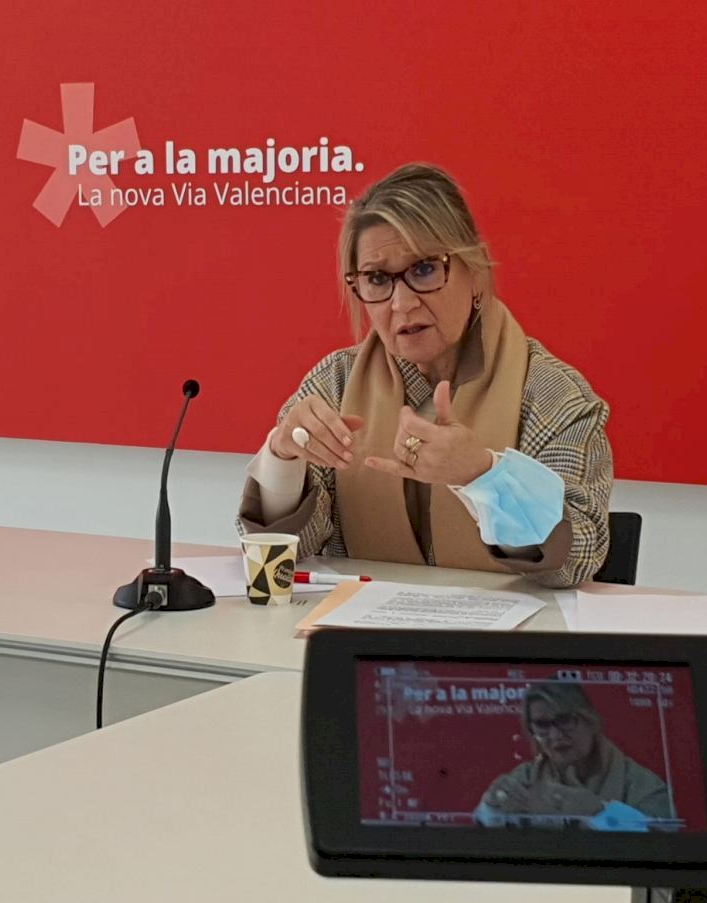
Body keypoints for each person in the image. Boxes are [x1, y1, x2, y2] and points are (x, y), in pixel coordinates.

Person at [238, 163, 613, 587]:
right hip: (359, 626)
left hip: (510, 630)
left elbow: (577, 558)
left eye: (424, 270)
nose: (401, 304)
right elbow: (284, 556)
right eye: (377, 279)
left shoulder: (552, 395)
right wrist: (284, 457)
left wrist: (483, 474)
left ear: (475, 272)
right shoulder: (333, 383)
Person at [474, 681, 673, 828]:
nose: (555, 735)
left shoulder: (642, 784)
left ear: (591, 721)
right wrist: (490, 808)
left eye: (565, 720)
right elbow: (482, 837)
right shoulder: (524, 778)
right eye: (542, 724)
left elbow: (664, 845)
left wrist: (599, 811)